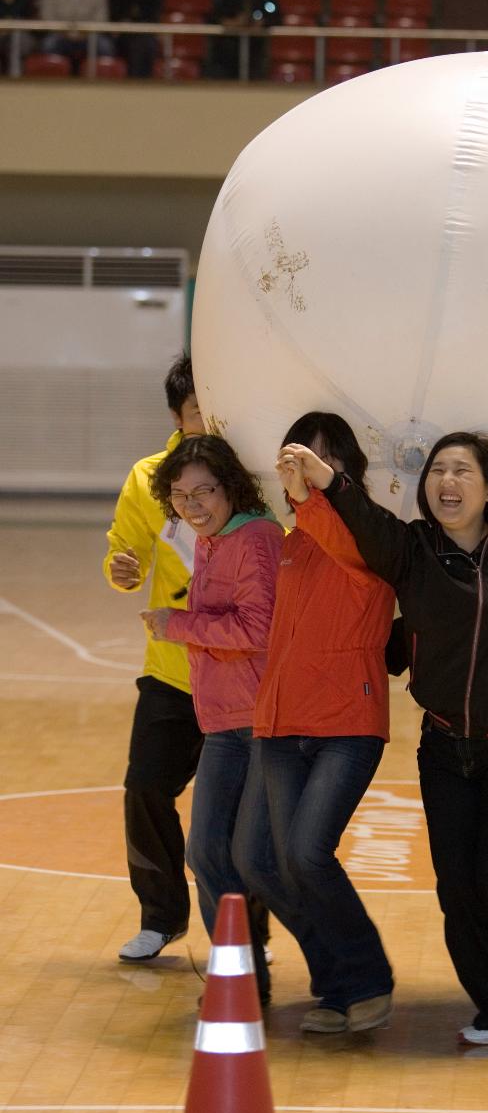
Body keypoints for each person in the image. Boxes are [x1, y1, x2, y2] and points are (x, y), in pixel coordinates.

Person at [283, 431, 488, 1046]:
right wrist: (325, 479)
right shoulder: (412, 551)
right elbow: (365, 520)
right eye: (438, 470)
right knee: (457, 890)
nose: (448, 482)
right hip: (444, 747)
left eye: (463, 471)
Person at [247, 412, 397, 1035]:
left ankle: (366, 978)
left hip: (345, 722)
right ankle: (336, 984)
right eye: (294, 458)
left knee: (308, 853)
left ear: (345, 470)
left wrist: (316, 494)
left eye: (316, 458)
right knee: (269, 864)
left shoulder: (370, 537)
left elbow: (349, 548)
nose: (300, 470)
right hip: (282, 722)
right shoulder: (291, 541)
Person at [143, 435, 283, 1004]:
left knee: (258, 860)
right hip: (221, 720)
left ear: (231, 486)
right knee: (206, 852)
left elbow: (259, 630)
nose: (193, 505)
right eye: (180, 496)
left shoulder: (257, 539)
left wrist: (176, 625)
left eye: (204, 491)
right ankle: (240, 978)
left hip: (257, 722)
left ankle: (343, 972)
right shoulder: (210, 540)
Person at [104, 353, 206, 962]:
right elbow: (126, 552)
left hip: (246, 673)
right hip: (172, 670)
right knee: (145, 789)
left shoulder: (257, 478)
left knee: (246, 815)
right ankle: (161, 915)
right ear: (178, 414)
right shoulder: (148, 478)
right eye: (199, 409)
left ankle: (245, 935)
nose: (212, 418)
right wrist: (123, 570)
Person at [39, 0, 115, 71]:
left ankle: (101, 79)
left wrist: (84, 32)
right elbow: (47, 16)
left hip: (89, 35)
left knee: (105, 46)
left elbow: (101, 18)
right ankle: (53, 78)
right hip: (60, 34)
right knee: (49, 44)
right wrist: (64, 31)